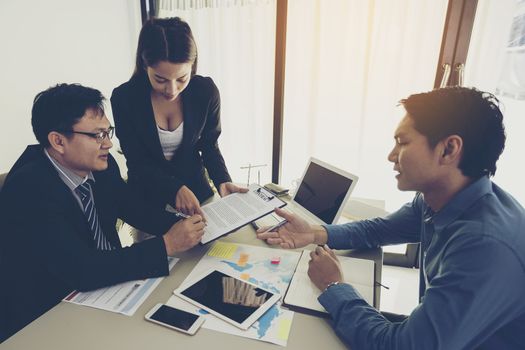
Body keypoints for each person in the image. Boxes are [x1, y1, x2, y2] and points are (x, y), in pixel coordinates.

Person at [257, 87, 525, 349]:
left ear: (448, 149)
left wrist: (333, 284)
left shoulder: (485, 246)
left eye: (403, 142)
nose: (391, 156)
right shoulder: (440, 199)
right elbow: (378, 230)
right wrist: (314, 234)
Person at [0, 84, 205, 342]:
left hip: (109, 290)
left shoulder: (103, 167)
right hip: (48, 312)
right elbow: (81, 268)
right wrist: (166, 244)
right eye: (98, 135)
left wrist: (192, 225)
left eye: (108, 132)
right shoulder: (28, 189)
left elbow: (135, 209)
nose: (108, 143)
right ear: (58, 141)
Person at [111, 17, 245, 219]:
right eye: (161, 79)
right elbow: (137, 160)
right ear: (145, 64)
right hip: (148, 200)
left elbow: (209, 145)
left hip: (197, 196)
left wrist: (222, 180)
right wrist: (174, 188)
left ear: (192, 66)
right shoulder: (125, 98)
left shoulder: (205, 92)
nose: (172, 89)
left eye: (182, 78)